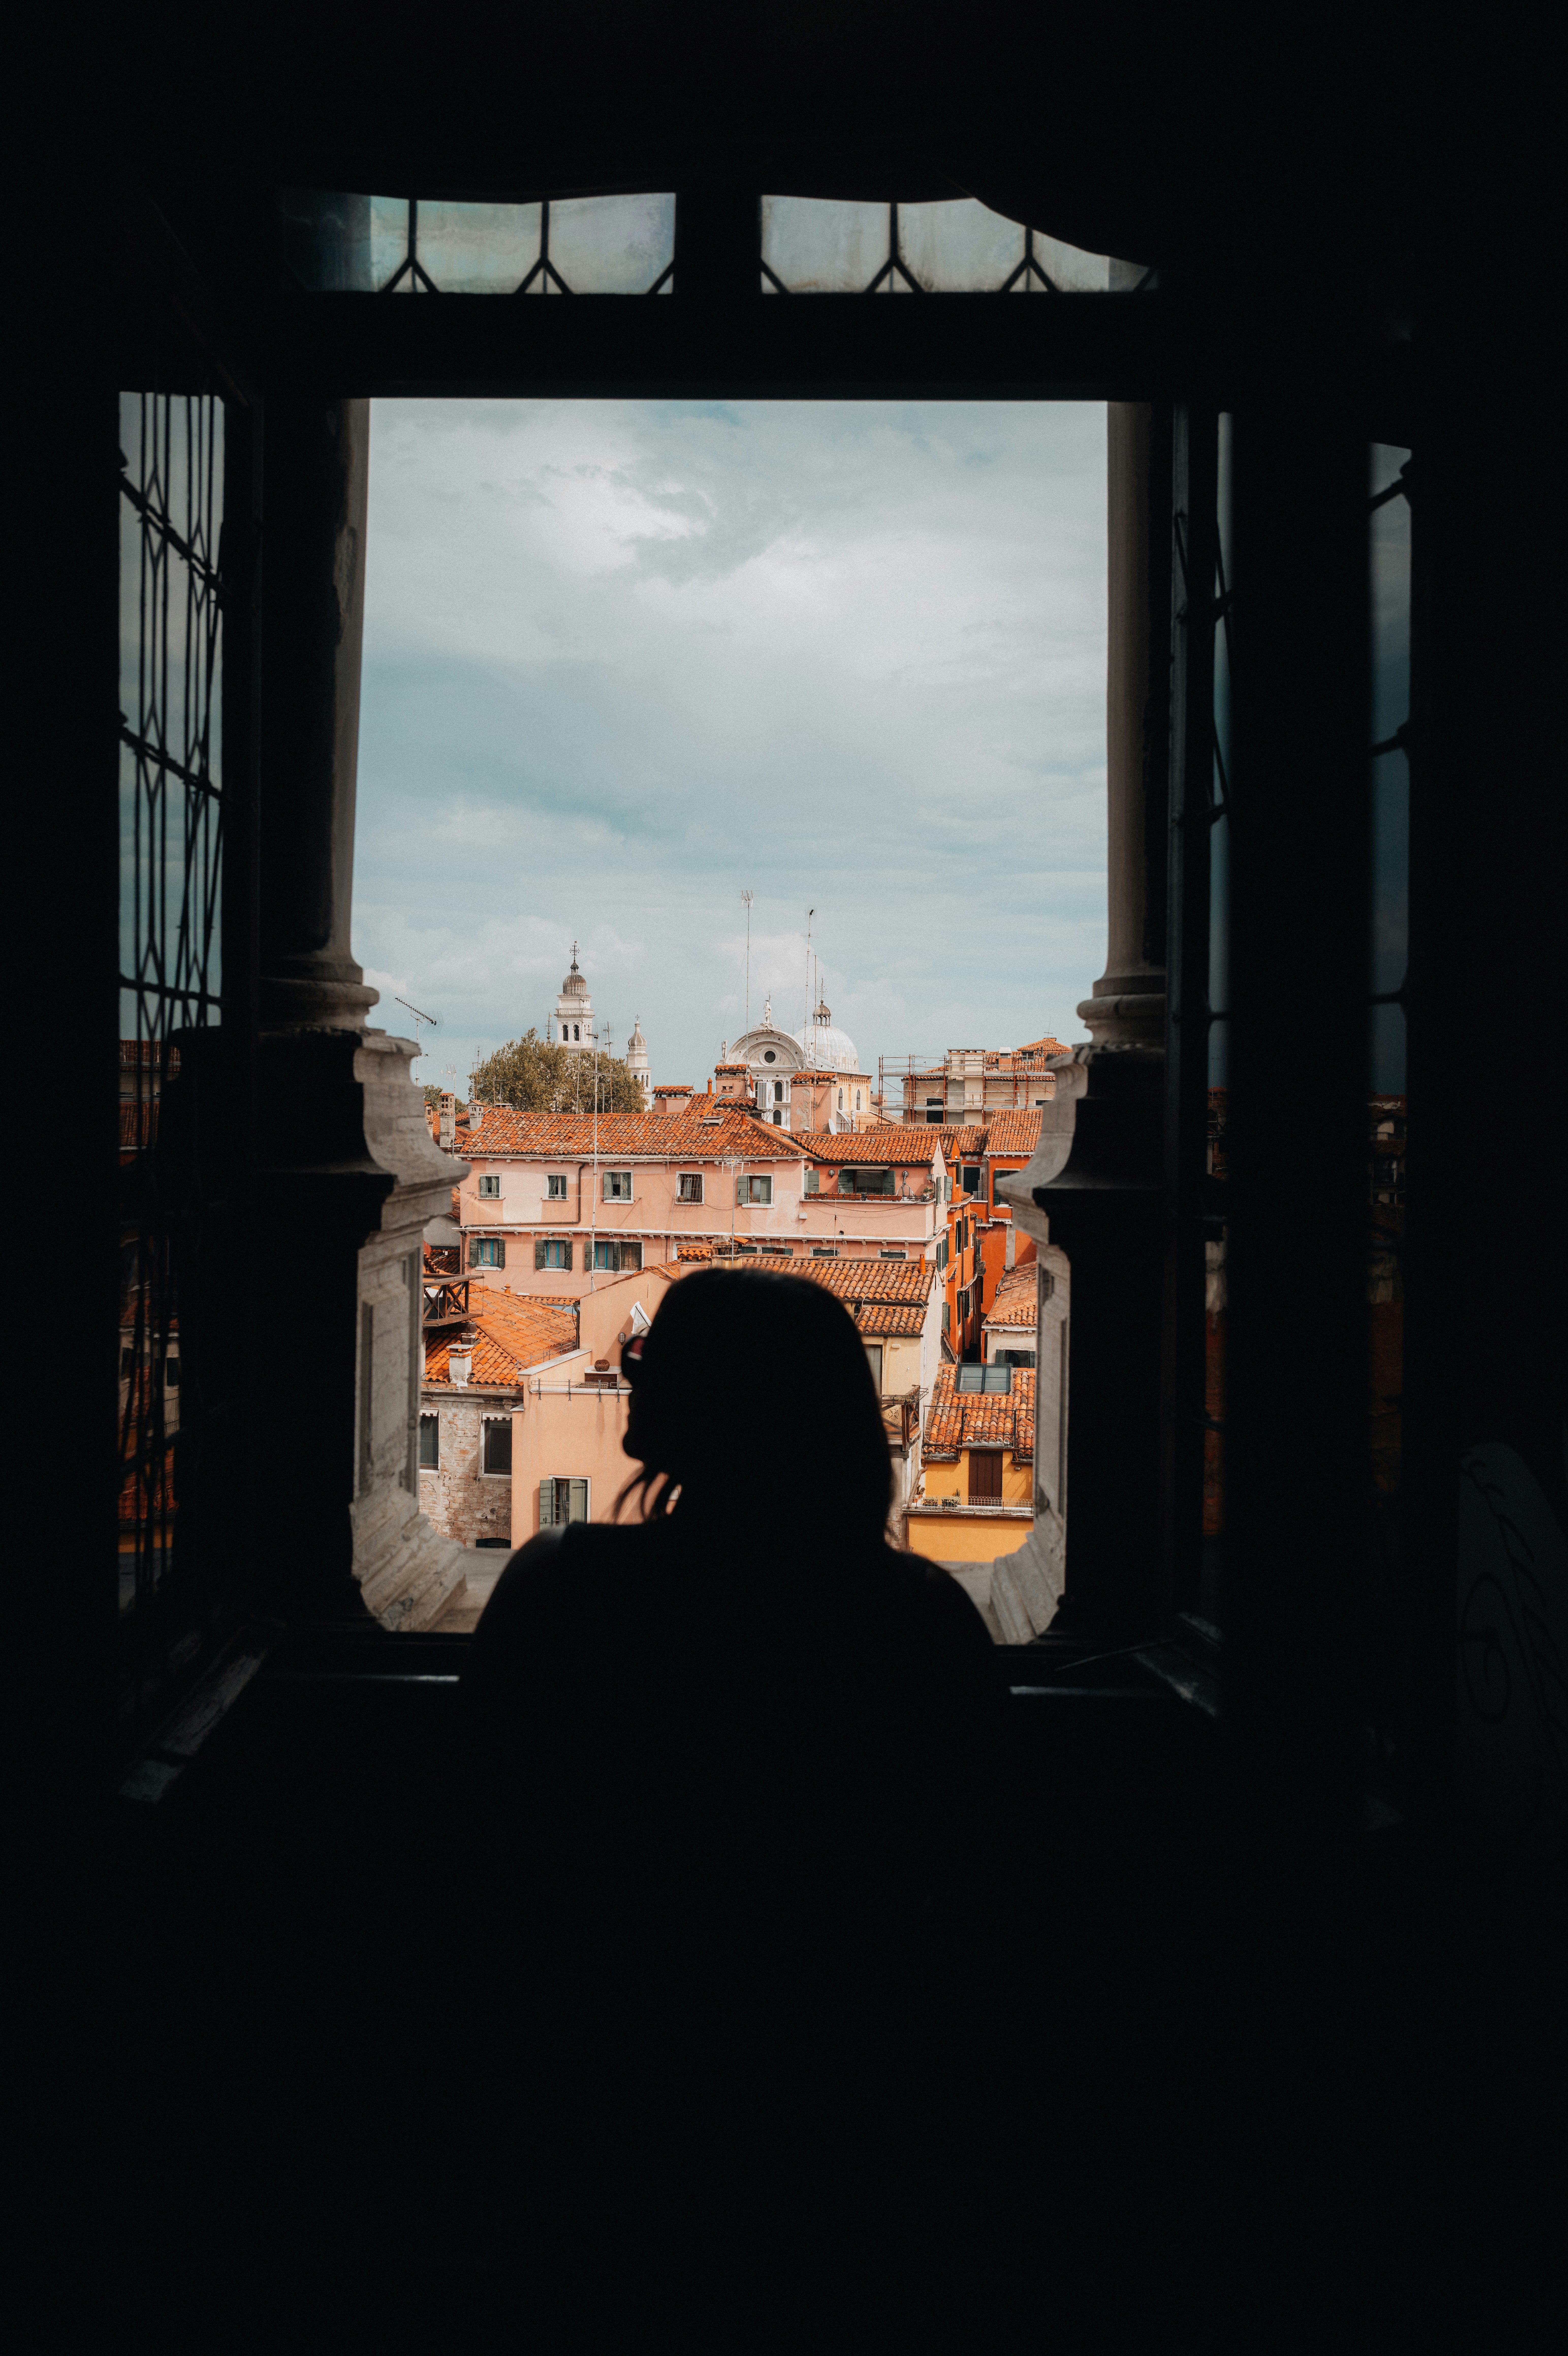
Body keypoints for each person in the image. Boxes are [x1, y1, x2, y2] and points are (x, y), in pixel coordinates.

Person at [462, 1268, 1011, 2336]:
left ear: (713, 1402)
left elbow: (490, 1847)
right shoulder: (920, 1621)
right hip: (846, 2117)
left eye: (649, 1358)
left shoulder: (560, 1592)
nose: (628, 1370)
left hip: (604, 2098)